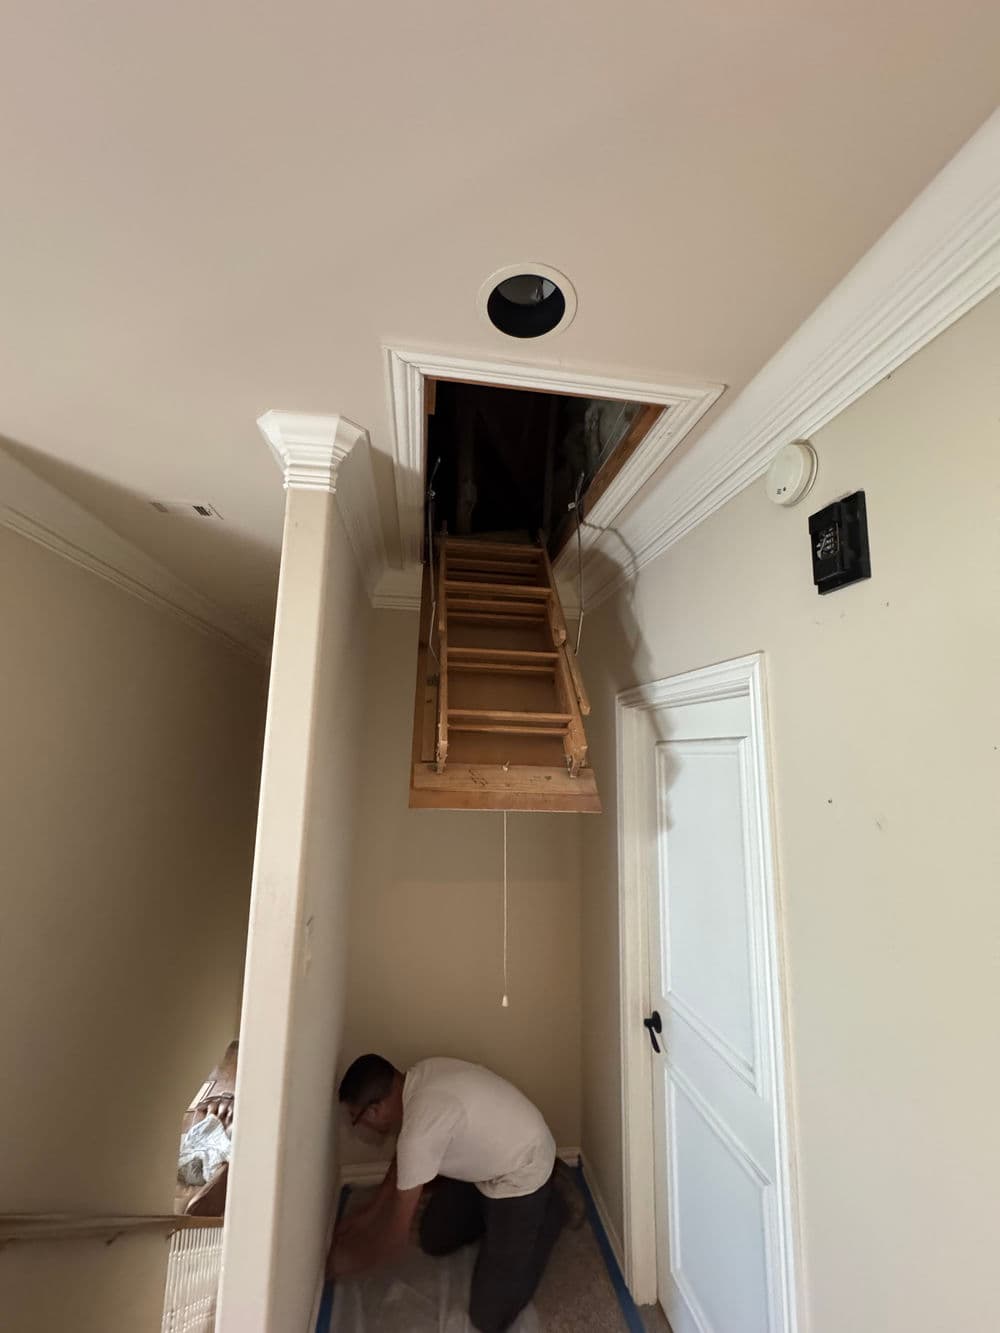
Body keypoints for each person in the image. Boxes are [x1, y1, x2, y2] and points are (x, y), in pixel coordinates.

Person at [330, 1053, 572, 1333]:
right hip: (492, 1162)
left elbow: (393, 1242)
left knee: (488, 1317)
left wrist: (344, 1263)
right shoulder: (420, 1077)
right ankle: (498, 1217)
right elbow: (404, 1165)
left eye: (356, 1117)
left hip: (523, 1170)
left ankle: (551, 1207)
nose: (358, 1125)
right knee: (434, 1238)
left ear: (374, 1110)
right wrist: (368, 1213)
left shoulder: (419, 1130)